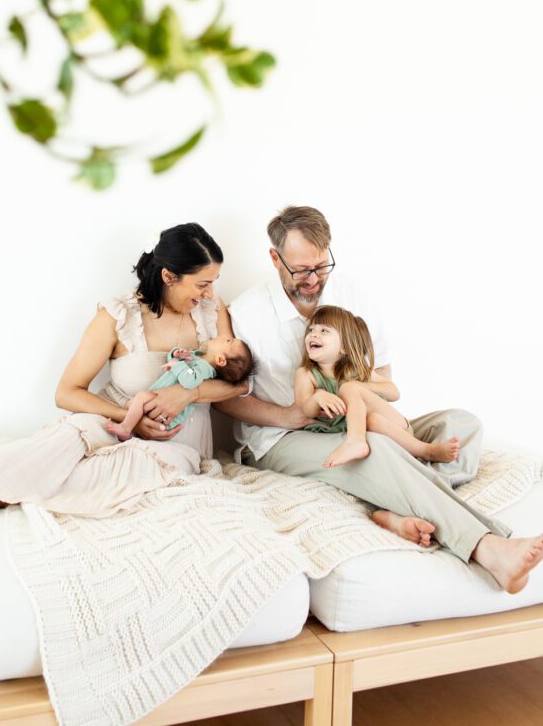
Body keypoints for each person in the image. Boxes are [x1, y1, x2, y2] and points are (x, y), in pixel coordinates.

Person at [216, 204, 543, 594]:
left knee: (462, 423)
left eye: (321, 266)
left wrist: (364, 402)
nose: (313, 279)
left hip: (355, 419)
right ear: (275, 259)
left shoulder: (350, 291)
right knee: (375, 449)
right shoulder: (246, 313)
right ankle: (488, 547)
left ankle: (391, 507)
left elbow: (384, 374)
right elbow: (224, 400)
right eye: (301, 269)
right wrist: (290, 416)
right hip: (281, 439)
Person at [0, 223, 249, 551]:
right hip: (114, 421)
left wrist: (188, 393)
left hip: (172, 444)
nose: (210, 293)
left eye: (213, 283)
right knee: (56, 445)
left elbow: (238, 383)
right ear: (168, 276)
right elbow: (67, 393)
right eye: (202, 283)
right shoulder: (117, 315)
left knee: (115, 473)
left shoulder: (214, 315)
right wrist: (126, 418)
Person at [295, 304, 460, 468]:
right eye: (311, 330)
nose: (314, 334)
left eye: (324, 330)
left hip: (397, 427)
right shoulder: (306, 374)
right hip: (376, 427)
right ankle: (416, 451)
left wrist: (359, 387)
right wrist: (317, 397)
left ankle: (427, 450)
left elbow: (394, 393)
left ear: (344, 347)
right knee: (372, 420)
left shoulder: (357, 371)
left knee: (349, 388)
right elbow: (306, 409)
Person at [106, 337, 255, 441]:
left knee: (141, 397)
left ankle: (126, 429)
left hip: (167, 415)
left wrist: (178, 365)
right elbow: (175, 364)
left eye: (228, 341)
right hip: (159, 404)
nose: (223, 336)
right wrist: (176, 354)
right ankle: (130, 431)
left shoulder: (205, 370)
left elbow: (190, 381)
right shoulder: (199, 358)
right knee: (135, 403)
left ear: (220, 360)